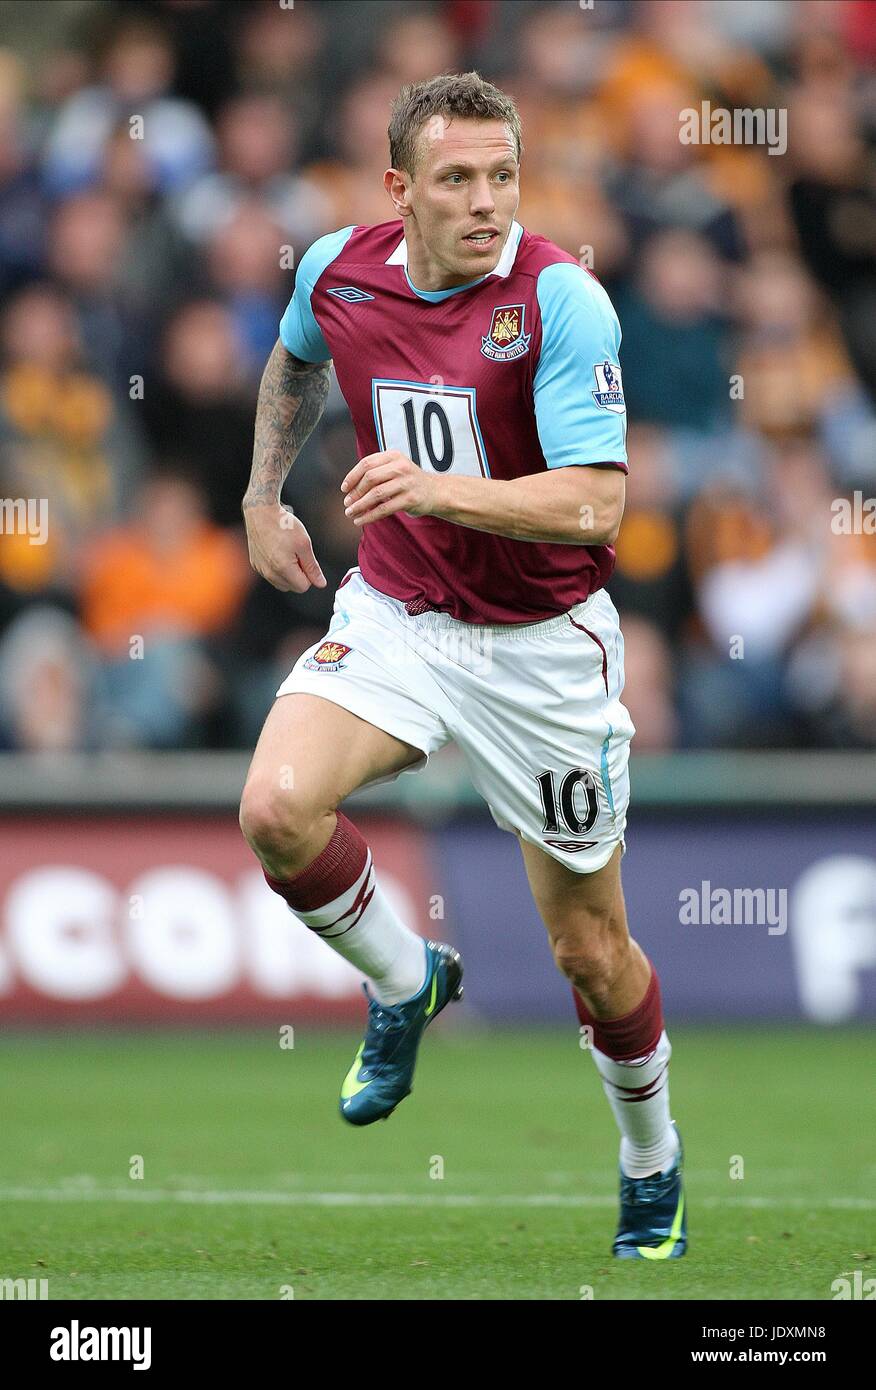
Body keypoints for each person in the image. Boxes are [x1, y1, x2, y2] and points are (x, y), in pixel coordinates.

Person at [239, 72, 685, 1260]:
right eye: (457, 179)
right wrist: (259, 492)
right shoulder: (338, 267)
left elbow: (596, 505)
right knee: (278, 809)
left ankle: (652, 1162)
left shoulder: (560, 300)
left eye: (503, 177)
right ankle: (404, 980)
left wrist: (438, 487)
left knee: (591, 952)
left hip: (542, 653)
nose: (487, 203)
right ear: (400, 191)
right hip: (398, 614)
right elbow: (295, 362)